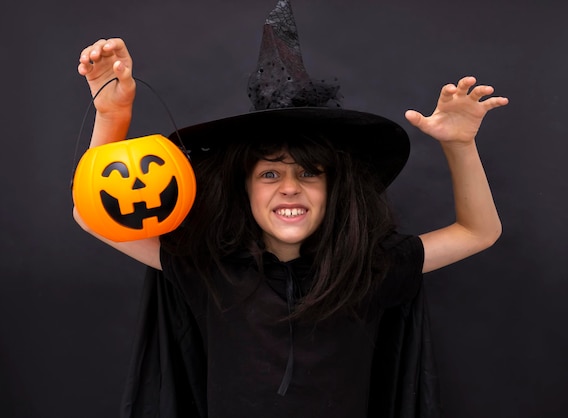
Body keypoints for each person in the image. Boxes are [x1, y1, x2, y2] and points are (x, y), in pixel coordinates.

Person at [74, 6, 507, 417]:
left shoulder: (369, 269)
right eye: (269, 175)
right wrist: (113, 113)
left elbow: (478, 232)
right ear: (242, 188)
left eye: (309, 173)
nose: (289, 189)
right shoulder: (207, 268)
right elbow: (91, 214)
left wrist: (460, 145)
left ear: (334, 188)